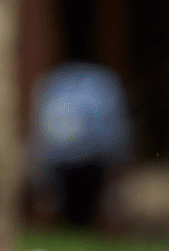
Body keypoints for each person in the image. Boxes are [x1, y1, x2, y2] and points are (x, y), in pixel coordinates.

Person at [28, 61, 131, 226]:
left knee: (83, 202)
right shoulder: (102, 82)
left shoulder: (53, 83)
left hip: (82, 159)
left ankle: (80, 222)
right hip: (77, 158)